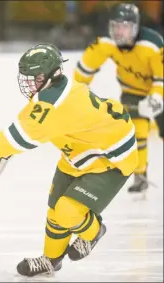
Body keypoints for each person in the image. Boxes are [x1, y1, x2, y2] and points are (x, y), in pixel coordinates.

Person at [0, 43, 138, 276]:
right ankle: (51, 260)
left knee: (67, 212)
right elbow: (20, 133)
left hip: (110, 157)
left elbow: (18, 139)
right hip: (77, 153)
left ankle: (94, 232)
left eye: (35, 77)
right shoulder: (50, 94)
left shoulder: (55, 103)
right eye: (27, 77)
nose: (28, 82)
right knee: (54, 211)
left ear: (53, 73)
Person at [74, 3, 163, 195]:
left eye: (125, 26)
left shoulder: (154, 44)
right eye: (116, 26)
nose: (119, 32)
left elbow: (161, 77)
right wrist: (75, 94)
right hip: (133, 91)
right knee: (136, 132)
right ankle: (140, 176)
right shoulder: (105, 42)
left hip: (159, 91)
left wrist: (156, 99)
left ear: (136, 26)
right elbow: (84, 70)